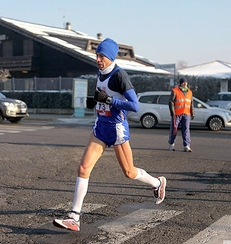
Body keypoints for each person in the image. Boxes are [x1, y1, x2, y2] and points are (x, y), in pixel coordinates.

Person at [53, 38, 167, 232]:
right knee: (83, 168)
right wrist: (95, 102)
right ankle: (74, 216)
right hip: (100, 127)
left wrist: (109, 100)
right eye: (96, 55)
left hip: (116, 129)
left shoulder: (119, 75)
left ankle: (157, 183)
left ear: (111, 57)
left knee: (129, 173)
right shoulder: (100, 72)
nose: (97, 59)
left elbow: (134, 105)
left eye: (101, 56)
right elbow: (102, 95)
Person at [168, 78, 194, 152]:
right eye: (183, 82)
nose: (185, 84)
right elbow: (171, 102)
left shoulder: (189, 92)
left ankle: (186, 145)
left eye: (186, 82)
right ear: (180, 83)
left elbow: (191, 103)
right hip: (177, 114)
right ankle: (171, 144)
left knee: (186, 129)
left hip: (186, 114)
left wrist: (192, 113)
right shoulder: (175, 91)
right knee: (174, 129)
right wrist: (172, 113)